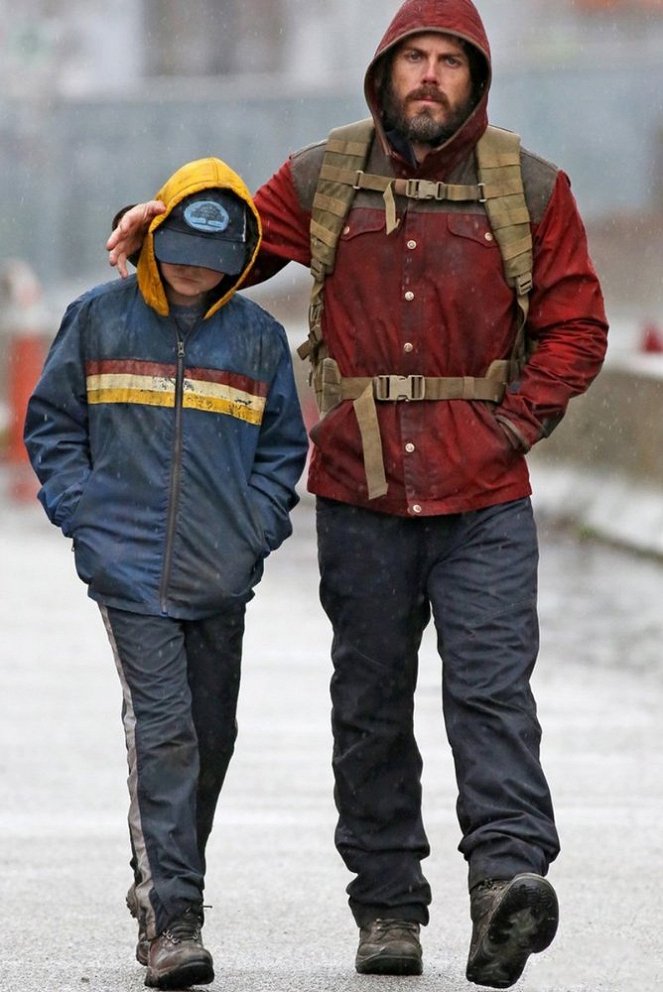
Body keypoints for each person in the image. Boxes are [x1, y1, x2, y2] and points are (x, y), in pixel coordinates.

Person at [106, 1, 609, 987]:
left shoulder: (530, 188)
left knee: (492, 692)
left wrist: (510, 426)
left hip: (485, 500)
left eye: (448, 63)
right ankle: (387, 903)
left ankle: (508, 876)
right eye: (414, 59)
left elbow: (575, 331)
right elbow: (229, 248)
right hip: (359, 490)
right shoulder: (326, 176)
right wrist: (159, 225)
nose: (430, 77)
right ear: (384, 73)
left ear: (475, 79)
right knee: (369, 705)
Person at [25, 156, 309, 990]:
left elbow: (281, 452)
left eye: (213, 253)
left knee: (210, 738)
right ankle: (172, 922)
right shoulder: (96, 320)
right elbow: (53, 428)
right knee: (167, 732)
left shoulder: (258, 341)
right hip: (128, 575)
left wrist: (253, 533)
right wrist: (86, 520)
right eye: (181, 243)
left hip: (222, 575)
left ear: (238, 259)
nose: (193, 265)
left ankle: (161, 877)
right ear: (153, 237)